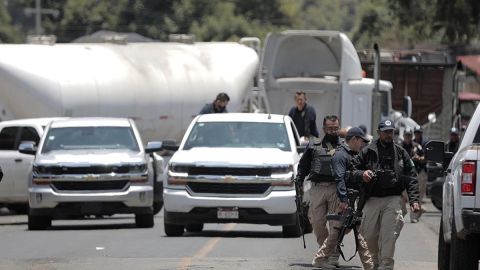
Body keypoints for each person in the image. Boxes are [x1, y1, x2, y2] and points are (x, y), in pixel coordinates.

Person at [352, 119, 420, 270]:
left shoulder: (401, 152)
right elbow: (352, 170)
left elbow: (411, 177)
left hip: (393, 199)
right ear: (379, 133)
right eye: (386, 132)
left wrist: (414, 200)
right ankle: (375, 262)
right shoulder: (367, 151)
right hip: (372, 199)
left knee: (389, 235)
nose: (389, 135)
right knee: (369, 236)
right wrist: (362, 174)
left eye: (391, 132)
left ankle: (386, 265)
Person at [313, 127, 374, 269]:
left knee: (356, 233)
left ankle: (370, 266)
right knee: (337, 232)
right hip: (346, 200)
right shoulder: (341, 155)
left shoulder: (354, 154)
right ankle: (320, 259)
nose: (362, 144)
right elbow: (339, 178)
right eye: (361, 141)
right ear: (353, 140)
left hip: (354, 199)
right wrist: (344, 200)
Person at [295, 115, 341, 267]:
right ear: (324, 129)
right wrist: (299, 180)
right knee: (317, 222)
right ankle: (326, 251)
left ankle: (332, 255)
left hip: (336, 188)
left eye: (335, 128)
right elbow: (303, 166)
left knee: (335, 224)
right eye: (330, 128)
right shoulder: (314, 146)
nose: (333, 131)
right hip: (317, 188)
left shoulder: (345, 148)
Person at [400, 128, 424, 222]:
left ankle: (414, 217)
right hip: (402, 175)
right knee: (402, 195)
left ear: (411, 136)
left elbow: (425, 157)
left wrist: (418, 158)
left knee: (414, 194)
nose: (407, 137)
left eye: (409, 135)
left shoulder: (417, 146)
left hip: (414, 174)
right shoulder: (399, 147)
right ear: (404, 136)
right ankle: (403, 211)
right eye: (406, 135)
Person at [412, 126, 427, 204]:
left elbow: (427, 157)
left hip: (422, 170)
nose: (417, 134)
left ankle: (418, 207)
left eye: (419, 133)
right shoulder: (411, 142)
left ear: (421, 133)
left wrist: (418, 158)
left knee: (420, 191)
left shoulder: (425, 143)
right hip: (413, 170)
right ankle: (416, 207)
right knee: (412, 190)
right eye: (416, 133)